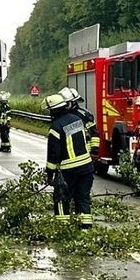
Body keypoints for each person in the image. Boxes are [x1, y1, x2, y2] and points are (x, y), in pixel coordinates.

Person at [44, 93, 94, 228]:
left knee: (61, 199)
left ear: (54, 110)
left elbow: (53, 154)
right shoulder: (77, 119)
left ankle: (62, 228)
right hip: (87, 167)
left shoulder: (56, 127)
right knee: (83, 198)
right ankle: (85, 229)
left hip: (69, 170)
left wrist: (50, 174)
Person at [59, 87, 99, 156]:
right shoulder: (60, 117)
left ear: (73, 102)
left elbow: (94, 133)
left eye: (66, 103)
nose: (64, 106)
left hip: (85, 153)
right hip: (67, 154)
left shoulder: (84, 115)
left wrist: (94, 150)